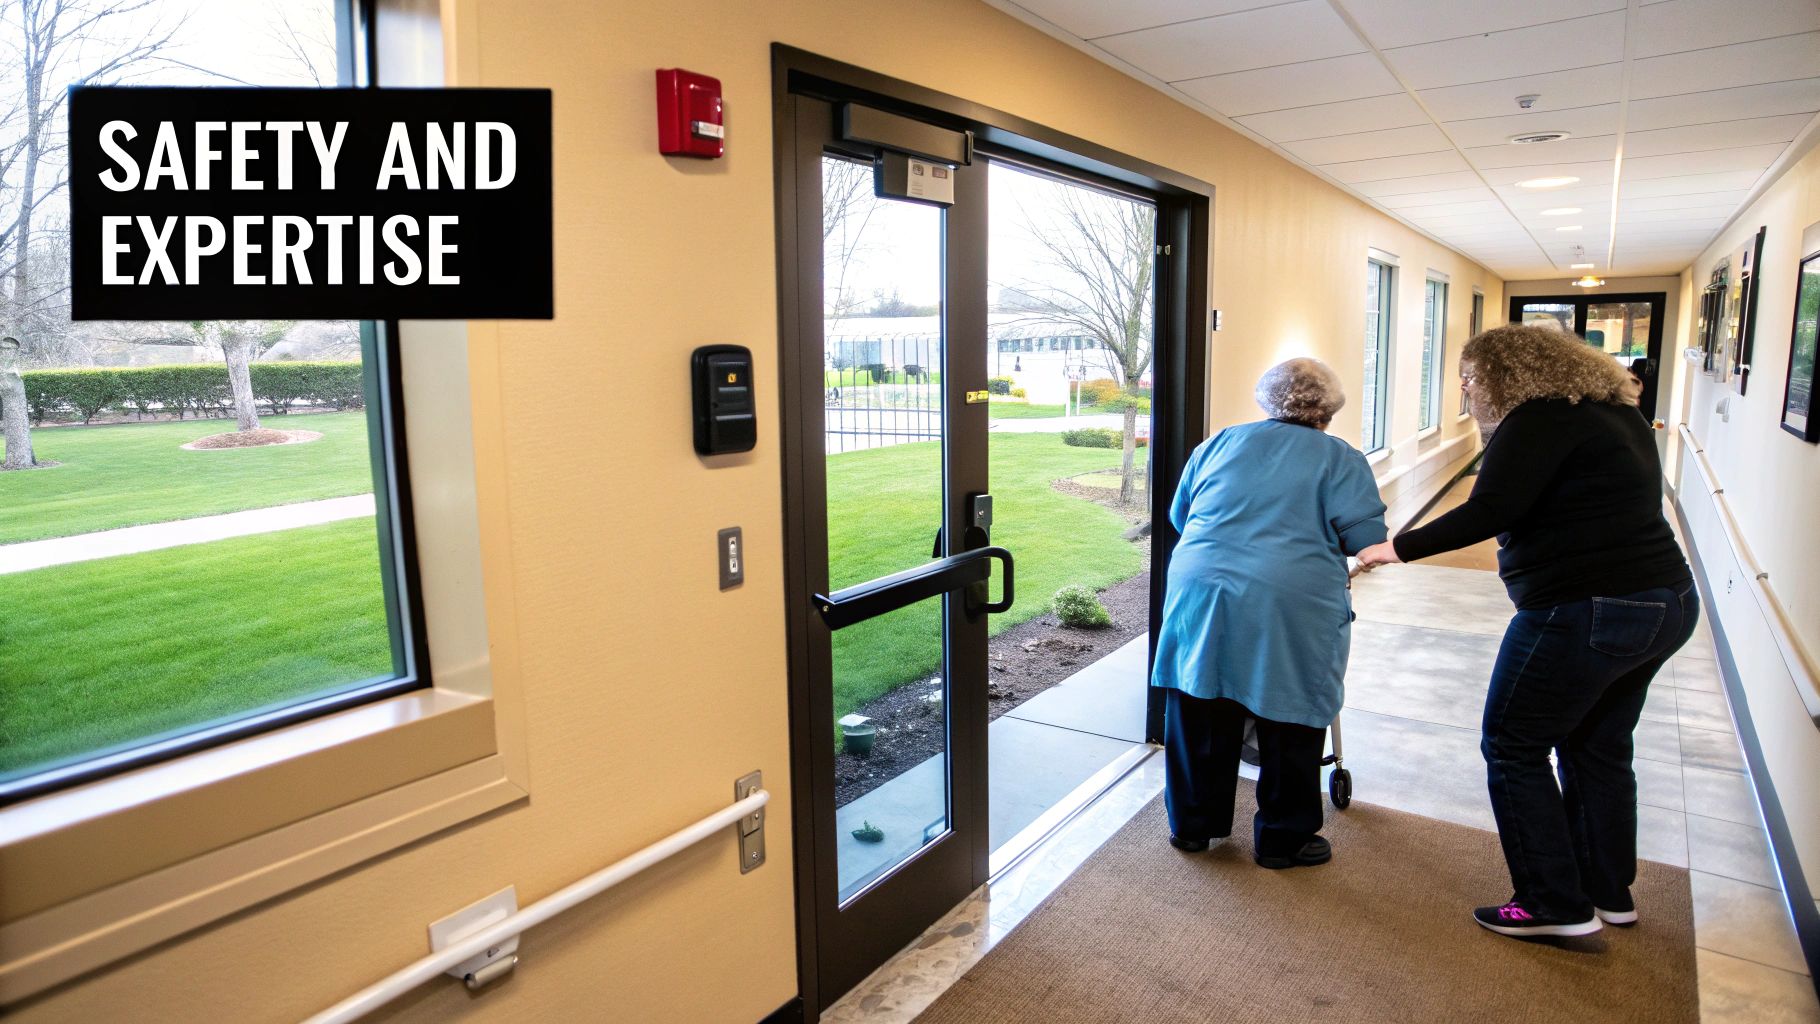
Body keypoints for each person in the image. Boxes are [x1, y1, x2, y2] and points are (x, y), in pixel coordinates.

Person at [1357, 324, 1698, 939]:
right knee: (1597, 746)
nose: (1466, 388)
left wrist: (1395, 548)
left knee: (1513, 745)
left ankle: (1551, 903)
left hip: (1586, 610)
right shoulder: (1616, 411)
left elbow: (1493, 508)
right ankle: (1607, 891)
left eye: (1471, 376)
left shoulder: (1537, 420)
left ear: (1505, 374)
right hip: (1664, 602)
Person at [1152, 358, 1386, 869]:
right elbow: (1364, 539)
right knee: (1292, 705)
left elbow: (1180, 514)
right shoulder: (1339, 458)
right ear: (1328, 410)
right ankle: (1283, 839)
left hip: (1202, 586)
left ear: (1267, 399)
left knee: (1200, 696)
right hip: (1290, 598)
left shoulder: (1218, 443)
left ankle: (1193, 827)